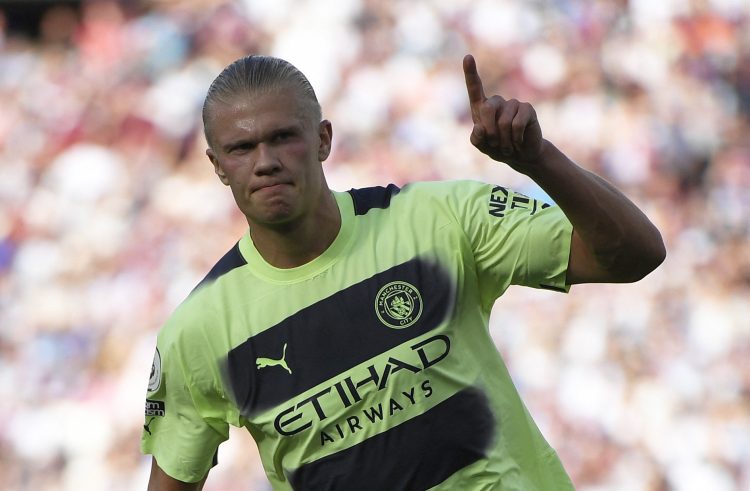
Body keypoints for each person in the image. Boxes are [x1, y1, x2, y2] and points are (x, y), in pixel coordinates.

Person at [141, 54, 665, 490]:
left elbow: (636, 255)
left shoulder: (437, 219)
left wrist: (539, 161)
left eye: (283, 137)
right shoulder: (199, 331)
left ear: (323, 139)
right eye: (241, 147)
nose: (265, 161)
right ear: (217, 165)